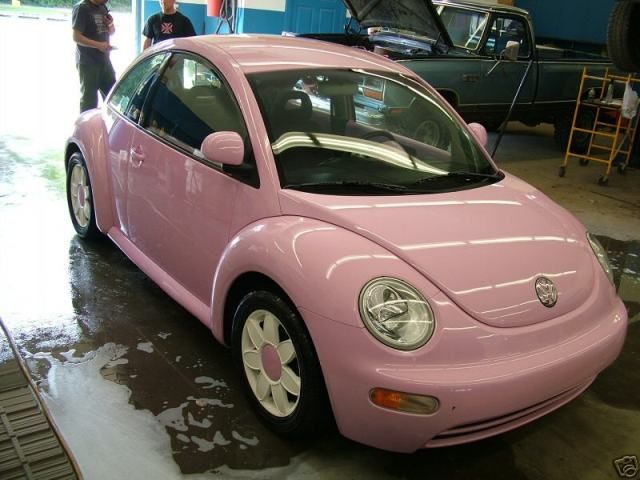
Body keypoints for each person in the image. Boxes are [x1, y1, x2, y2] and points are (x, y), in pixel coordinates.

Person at [72, 0, 116, 113]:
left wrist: (110, 24)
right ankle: (85, 129)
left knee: (113, 97)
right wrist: (98, 45)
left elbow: (111, 31)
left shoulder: (103, 7)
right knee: (89, 102)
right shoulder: (82, 8)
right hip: (88, 63)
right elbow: (76, 37)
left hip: (105, 61)